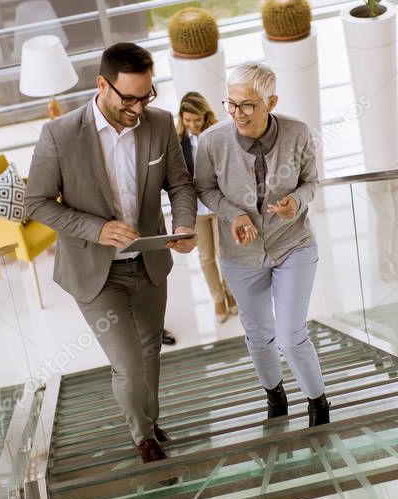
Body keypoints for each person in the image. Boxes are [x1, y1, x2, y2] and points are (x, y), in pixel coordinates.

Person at [24, 42, 197, 466]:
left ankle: (151, 422)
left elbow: (179, 185)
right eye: (129, 98)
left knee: (151, 351)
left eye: (146, 96)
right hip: (95, 273)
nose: (139, 108)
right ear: (102, 85)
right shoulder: (59, 135)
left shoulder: (158, 124)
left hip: (150, 262)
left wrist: (184, 225)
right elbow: (37, 202)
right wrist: (97, 229)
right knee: (129, 364)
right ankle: (142, 435)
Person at [194, 62, 330, 427]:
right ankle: (276, 397)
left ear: (271, 101)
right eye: (231, 104)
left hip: (293, 245)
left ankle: (318, 405)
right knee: (258, 336)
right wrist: (233, 214)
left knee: (290, 334)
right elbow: (205, 189)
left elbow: (311, 182)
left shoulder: (298, 133)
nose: (237, 114)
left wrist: (296, 203)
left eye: (248, 105)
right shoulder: (212, 142)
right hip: (241, 255)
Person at [177, 92, 239, 322]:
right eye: (187, 120)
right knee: (206, 257)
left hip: (220, 205)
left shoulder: (218, 136)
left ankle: (231, 292)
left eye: (197, 120)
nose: (192, 125)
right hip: (197, 210)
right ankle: (217, 297)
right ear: (181, 119)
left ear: (205, 117)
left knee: (225, 254)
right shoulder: (177, 143)